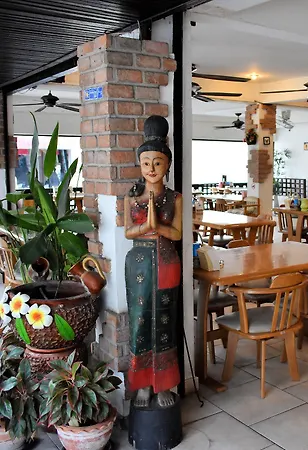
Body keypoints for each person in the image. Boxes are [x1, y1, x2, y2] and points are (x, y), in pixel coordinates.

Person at [124, 116, 182, 408]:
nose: (151, 169)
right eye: (146, 162)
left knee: (165, 321)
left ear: (167, 165)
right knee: (140, 321)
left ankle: (164, 384)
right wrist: (146, 226)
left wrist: (157, 227)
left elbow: (178, 233)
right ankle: (143, 383)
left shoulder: (175, 198)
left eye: (157, 162)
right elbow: (127, 231)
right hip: (139, 263)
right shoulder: (132, 197)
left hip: (166, 259)